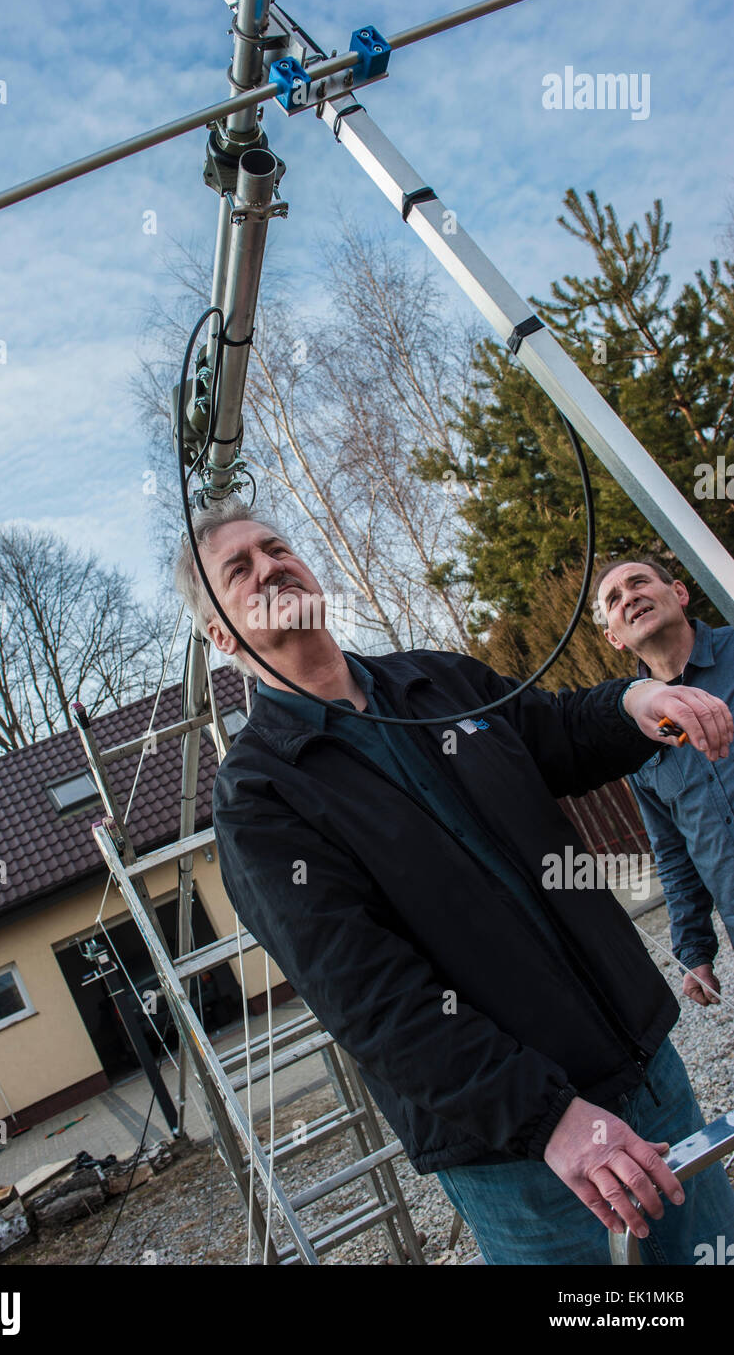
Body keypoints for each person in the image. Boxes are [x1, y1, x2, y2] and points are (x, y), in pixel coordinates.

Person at [174, 497, 734, 1264]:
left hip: (643, 1068)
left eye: (276, 548)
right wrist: (547, 1119)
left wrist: (636, 699)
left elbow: (559, 731)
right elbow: (370, 998)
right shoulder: (260, 797)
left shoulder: (435, 682)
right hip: (530, 1162)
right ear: (221, 634)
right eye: (239, 570)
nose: (270, 565)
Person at [596, 556, 734, 1009]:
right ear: (614, 637)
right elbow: (672, 849)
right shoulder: (638, 733)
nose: (629, 597)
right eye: (614, 600)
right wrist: (694, 950)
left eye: (639, 583)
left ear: (678, 593)